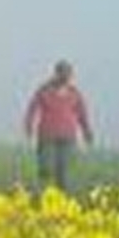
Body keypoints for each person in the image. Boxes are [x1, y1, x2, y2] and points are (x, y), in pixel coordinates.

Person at [24, 60, 94, 190]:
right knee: (46, 168)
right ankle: (44, 195)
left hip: (68, 137)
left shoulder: (75, 94)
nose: (65, 76)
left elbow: (82, 114)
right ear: (56, 73)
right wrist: (29, 127)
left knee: (63, 172)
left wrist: (87, 132)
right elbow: (32, 108)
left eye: (67, 74)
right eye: (62, 73)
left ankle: (61, 201)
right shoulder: (44, 90)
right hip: (47, 136)